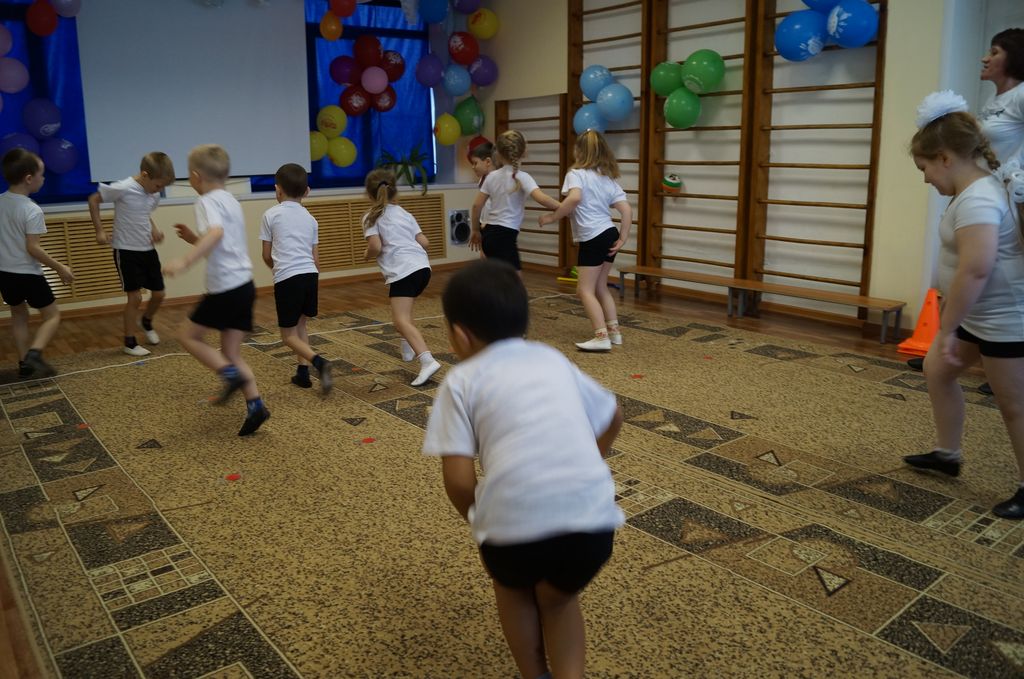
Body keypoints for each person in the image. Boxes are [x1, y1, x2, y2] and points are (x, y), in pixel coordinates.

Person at [423, 259, 623, 679]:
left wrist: (481, 519)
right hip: (593, 523)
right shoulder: (552, 359)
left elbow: (458, 480)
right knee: (558, 600)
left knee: (513, 589)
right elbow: (613, 416)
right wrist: (592, 459)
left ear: (459, 335)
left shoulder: (460, 381)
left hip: (512, 528)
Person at [902, 91, 1024, 519]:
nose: (925, 180)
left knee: (1014, 405)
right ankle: (947, 455)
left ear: (945, 158)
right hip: (978, 313)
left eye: (924, 169)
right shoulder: (972, 191)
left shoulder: (978, 199)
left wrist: (947, 329)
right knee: (938, 370)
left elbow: (976, 270)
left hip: (1005, 319)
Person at [907, 28, 1024, 390]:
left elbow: (975, 270)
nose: (985, 57)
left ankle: (1007, 361)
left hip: (1010, 195)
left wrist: (1017, 176)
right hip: (991, 192)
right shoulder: (994, 101)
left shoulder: (1021, 95)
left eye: (995, 51)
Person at [162, 144, 269, 436]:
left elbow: (217, 233)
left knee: (188, 335)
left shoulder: (206, 200)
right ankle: (256, 406)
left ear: (196, 176)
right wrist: (193, 238)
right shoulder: (230, 200)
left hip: (225, 288)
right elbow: (221, 240)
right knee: (231, 351)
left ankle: (230, 376)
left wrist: (185, 260)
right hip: (244, 285)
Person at [539, 129, 632, 352]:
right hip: (609, 233)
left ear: (579, 151)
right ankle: (614, 333)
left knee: (585, 290)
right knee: (601, 286)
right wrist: (623, 237)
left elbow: (575, 198)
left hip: (593, 236)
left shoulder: (576, 174)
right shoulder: (607, 178)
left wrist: (552, 217)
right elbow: (627, 210)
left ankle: (601, 337)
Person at [88, 152, 175, 356]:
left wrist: (154, 229)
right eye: (158, 186)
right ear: (145, 175)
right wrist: (99, 230)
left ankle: (146, 321)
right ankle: (130, 342)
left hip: (148, 250)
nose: (159, 190)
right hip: (126, 250)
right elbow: (93, 200)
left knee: (160, 294)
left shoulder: (153, 193)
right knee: (135, 297)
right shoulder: (123, 187)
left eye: (162, 187)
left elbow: (144, 213)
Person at [361, 168, 441, 387]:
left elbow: (375, 246)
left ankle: (427, 360)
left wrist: (367, 254)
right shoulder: (404, 213)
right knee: (403, 314)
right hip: (422, 268)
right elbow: (425, 242)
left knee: (400, 320)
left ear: (369, 193)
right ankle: (407, 349)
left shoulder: (370, 217)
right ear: (394, 190)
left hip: (403, 271)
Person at [259, 163, 332, 394]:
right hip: (310, 275)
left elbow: (266, 255)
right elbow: (315, 259)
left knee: (288, 335)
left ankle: (319, 362)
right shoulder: (311, 219)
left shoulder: (270, 214)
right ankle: (303, 373)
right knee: (301, 325)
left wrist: (278, 269)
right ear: (307, 191)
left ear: (277, 190)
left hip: (287, 278)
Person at [0, 149, 73, 378]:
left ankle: (24, 364)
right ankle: (35, 354)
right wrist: (60, 267)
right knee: (52, 316)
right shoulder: (31, 209)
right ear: (29, 178)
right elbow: (33, 248)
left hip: (4, 274)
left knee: (19, 315)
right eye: (42, 174)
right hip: (28, 274)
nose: (44, 178)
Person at [470, 130, 560, 271]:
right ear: (523, 152)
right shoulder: (522, 177)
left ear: (498, 153)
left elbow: (476, 206)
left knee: (498, 276)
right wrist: (564, 207)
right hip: (505, 236)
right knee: (513, 280)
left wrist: (475, 230)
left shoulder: (491, 177)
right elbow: (542, 198)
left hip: (489, 234)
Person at [468, 140, 494, 243]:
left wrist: (488, 222)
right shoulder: (483, 179)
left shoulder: (496, 181)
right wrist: (479, 225)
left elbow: (477, 206)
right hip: (484, 224)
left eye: (475, 163)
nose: (473, 167)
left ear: (488, 162)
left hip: (493, 225)